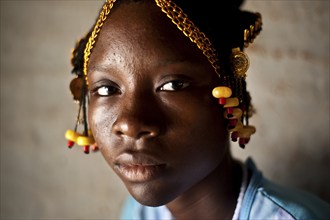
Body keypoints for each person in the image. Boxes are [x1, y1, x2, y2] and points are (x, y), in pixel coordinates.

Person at [65, 0, 330, 219]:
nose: (130, 124)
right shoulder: (139, 213)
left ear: (231, 94)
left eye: (173, 84)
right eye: (106, 89)